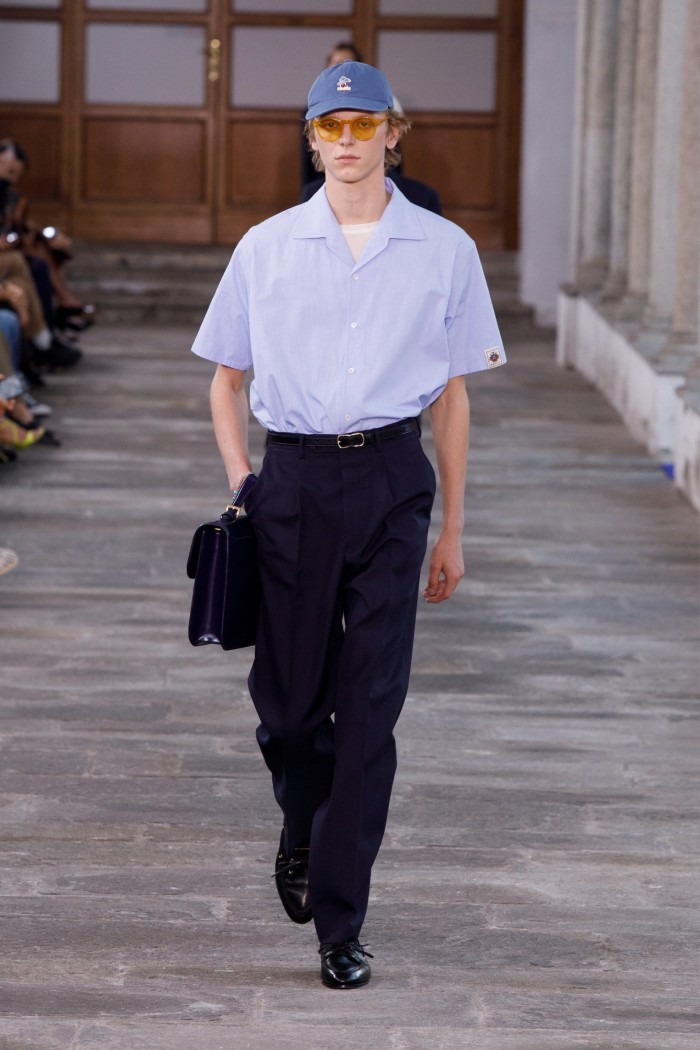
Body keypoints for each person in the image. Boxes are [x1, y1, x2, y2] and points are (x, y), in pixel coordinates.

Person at [192, 60, 506, 990]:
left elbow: (450, 398)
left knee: (369, 713)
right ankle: (300, 826)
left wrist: (451, 526)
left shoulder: (444, 250)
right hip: (288, 482)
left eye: (365, 126)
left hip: (390, 481)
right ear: (312, 138)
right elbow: (226, 379)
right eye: (332, 128)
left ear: (393, 134)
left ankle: (340, 919)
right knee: (290, 714)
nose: (347, 142)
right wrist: (245, 480)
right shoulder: (267, 246)